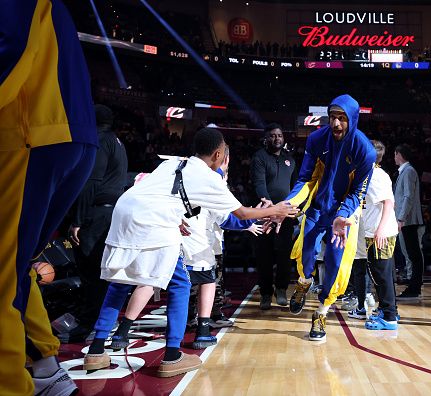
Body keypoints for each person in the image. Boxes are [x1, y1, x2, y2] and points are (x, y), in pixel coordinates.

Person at [83, 128, 297, 377]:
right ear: (218, 154)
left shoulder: (175, 162)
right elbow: (241, 214)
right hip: (152, 219)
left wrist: (175, 218)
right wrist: (277, 210)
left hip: (125, 208)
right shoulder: (209, 177)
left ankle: (96, 352)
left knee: (120, 281)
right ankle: (172, 356)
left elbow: (157, 190)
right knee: (180, 284)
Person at [0, 1, 98, 394]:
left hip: (28, 132)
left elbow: (11, 43)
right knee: (17, 263)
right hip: (64, 133)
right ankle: (45, 367)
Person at [282, 94, 376, 341]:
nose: (336, 123)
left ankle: (321, 312)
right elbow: (305, 178)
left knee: (336, 265)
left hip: (343, 216)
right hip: (317, 208)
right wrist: (288, 204)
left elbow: (358, 192)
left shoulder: (365, 151)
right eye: (333, 117)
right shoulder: (315, 139)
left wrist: (343, 215)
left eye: (342, 118)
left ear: (352, 119)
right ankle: (303, 282)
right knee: (307, 253)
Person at [68, 104, 128, 340]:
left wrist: (78, 220)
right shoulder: (116, 141)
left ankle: (88, 325)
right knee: (102, 273)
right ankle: (101, 322)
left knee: (90, 273)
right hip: (111, 213)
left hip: (96, 215)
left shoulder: (101, 141)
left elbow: (91, 182)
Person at [250, 123, 297, 309]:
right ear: (266, 138)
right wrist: (270, 208)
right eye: (272, 136)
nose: (276, 138)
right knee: (264, 257)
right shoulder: (259, 157)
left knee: (285, 255)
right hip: (264, 215)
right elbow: (259, 184)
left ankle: (281, 290)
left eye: (279, 135)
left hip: (284, 216)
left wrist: (286, 209)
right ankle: (265, 294)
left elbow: (295, 188)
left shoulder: (290, 160)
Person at [357, 140, 400, 330]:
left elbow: (389, 203)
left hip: (380, 233)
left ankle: (389, 317)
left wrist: (381, 229)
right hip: (375, 231)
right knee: (384, 274)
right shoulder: (371, 173)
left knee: (380, 275)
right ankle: (389, 310)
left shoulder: (376, 176)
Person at [393, 144, 425, 300]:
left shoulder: (409, 171)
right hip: (407, 220)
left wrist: (401, 217)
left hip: (409, 220)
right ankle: (413, 286)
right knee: (412, 255)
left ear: (399, 155)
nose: (394, 157)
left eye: (395, 154)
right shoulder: (406, 171)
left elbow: (408, 196)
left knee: (414, 255)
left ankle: (415, 288)